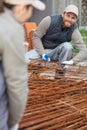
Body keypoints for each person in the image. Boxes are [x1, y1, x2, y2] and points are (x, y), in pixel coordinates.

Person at [0, 0, 45, 130]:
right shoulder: (11, 27)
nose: (31, 14)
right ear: (21, 7)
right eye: (31, 9)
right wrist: (13, 121)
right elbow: (16, 81)